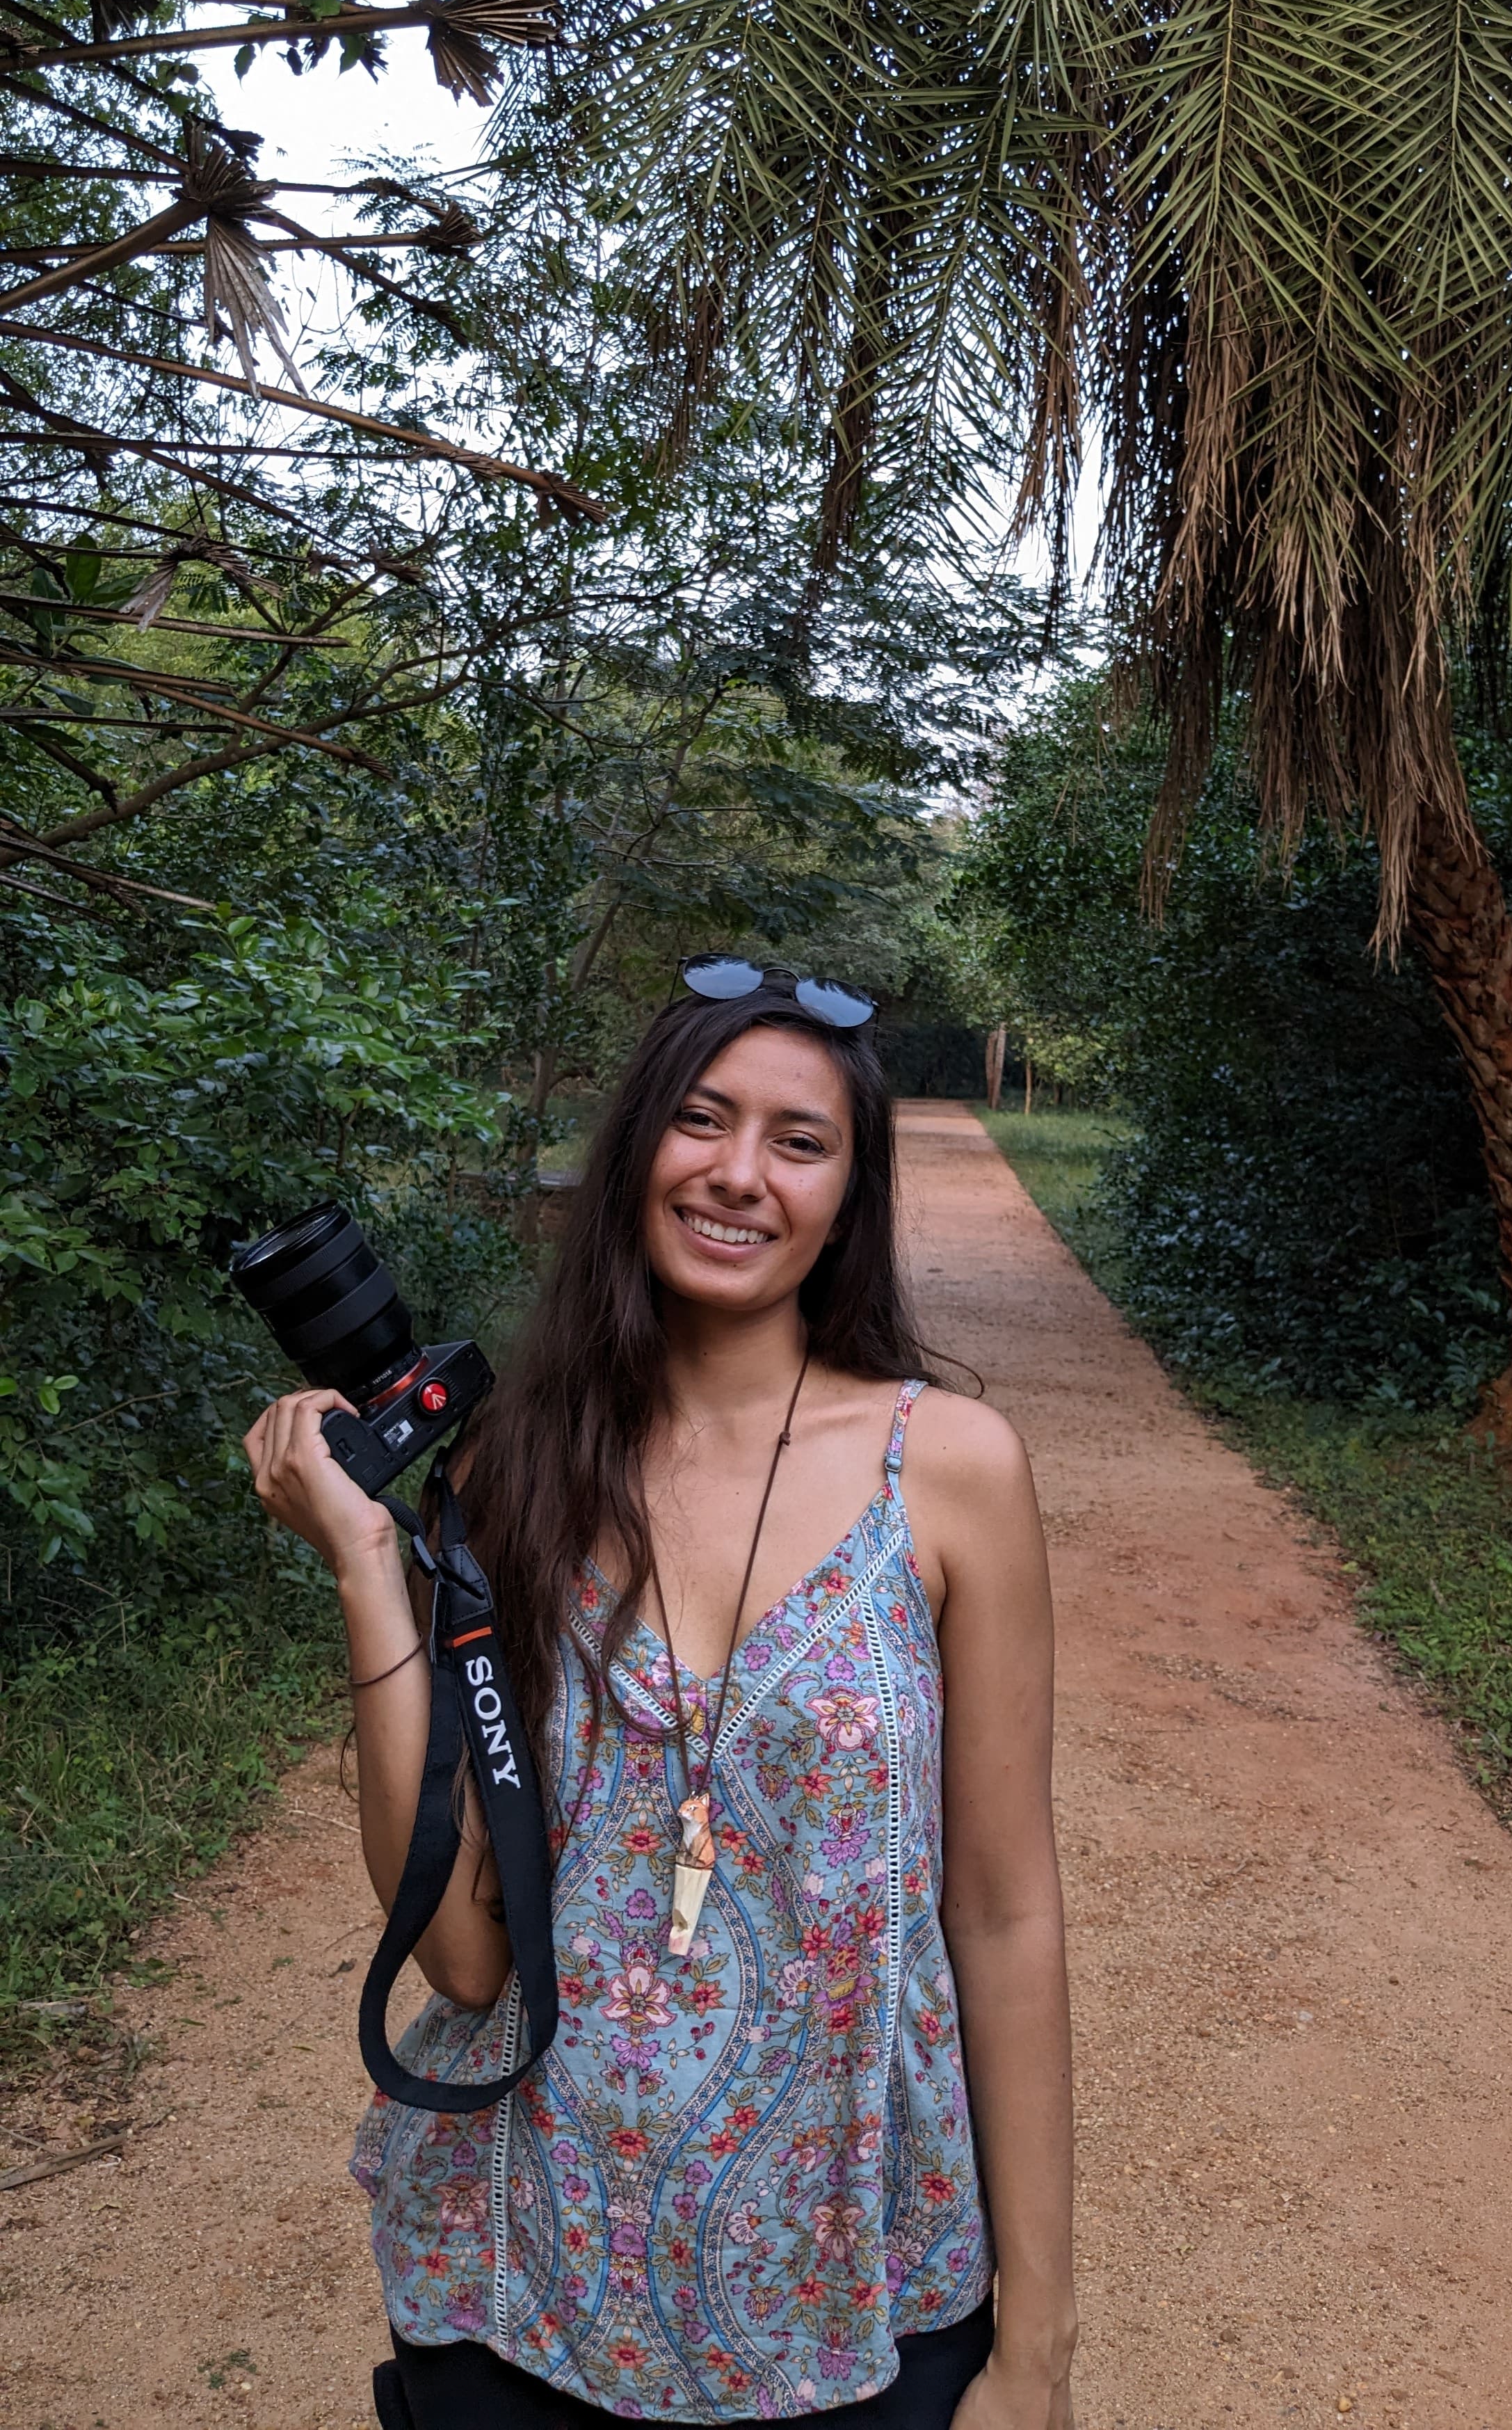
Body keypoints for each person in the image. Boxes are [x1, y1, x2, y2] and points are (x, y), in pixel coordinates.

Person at [243, 968, 1077, 2429]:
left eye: (798, 1140)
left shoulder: (948, 1471)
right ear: (638, 1153)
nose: (740, 1174)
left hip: (853, 2280)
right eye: (701, 1120)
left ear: (849, 1194)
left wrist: (1039, 2351)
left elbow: (1006, 1913)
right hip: (525, 2273)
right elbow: (462, 1958)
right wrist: (372, 1569)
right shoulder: (514, 1473)